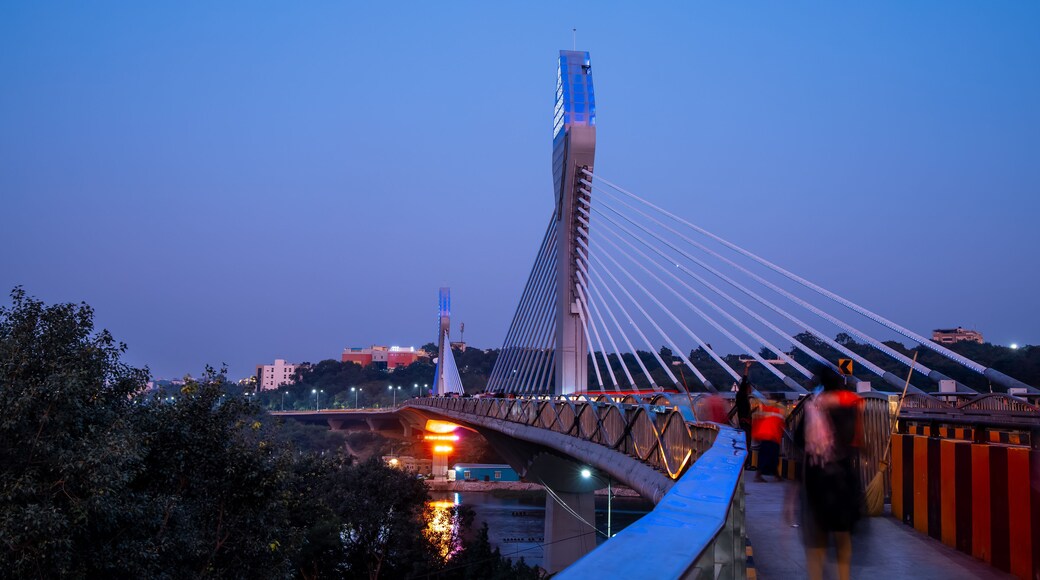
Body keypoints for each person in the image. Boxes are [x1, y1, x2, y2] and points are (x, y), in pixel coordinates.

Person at [791, 368, 864, 580]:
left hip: (816, 480)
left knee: (817, 539)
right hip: (842, 480)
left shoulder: (813, 408)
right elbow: (856, 441)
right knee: (843, 538)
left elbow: (799, 443)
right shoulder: (849, 407)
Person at [751, 398, 785, 482]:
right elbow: (781, 426)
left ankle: (774, 475)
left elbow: (757, 421)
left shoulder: (764, 410)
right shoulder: (779, 412)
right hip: (773, 436)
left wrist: (755, 435)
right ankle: (770, 475)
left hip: (764, 435)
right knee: (772, 457)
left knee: (765, 455)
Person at [733, 360, 754, 468]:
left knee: (747, 443)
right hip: (745, 423)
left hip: (746, 423)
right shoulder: (741, 395)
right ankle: (746, 464)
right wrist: (747, 368)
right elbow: (744, 379)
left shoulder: (743, 398)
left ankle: (746, 463)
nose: (751, 390)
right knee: (747, 443)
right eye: (750, 388)